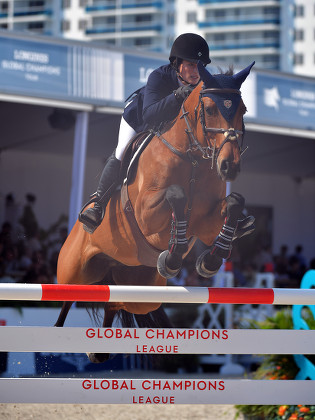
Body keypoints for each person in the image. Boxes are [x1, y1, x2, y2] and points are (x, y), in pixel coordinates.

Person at [79, 33, 211, 234]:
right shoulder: (158, 77)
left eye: (200, 66)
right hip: (139, 119)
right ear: (177, 63)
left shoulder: (202, 85)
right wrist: (177, 96)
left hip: (169, 129)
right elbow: (150, 116)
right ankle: (98, 204)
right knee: (122, 151)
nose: (196, 71)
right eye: (191, 65)